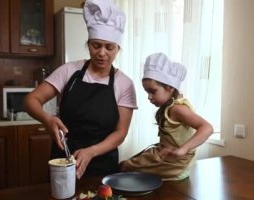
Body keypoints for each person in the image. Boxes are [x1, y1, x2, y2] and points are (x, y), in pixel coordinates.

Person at [24, 0, 137, 179]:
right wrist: (47, 119)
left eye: (109, 47)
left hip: (103, 163)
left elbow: (120, 133)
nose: (102, 53)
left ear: (118, 49)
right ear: (88, 43)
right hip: (64, 159)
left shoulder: (124, 84)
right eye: (96, 45)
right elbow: (31, 100)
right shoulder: (69, 70)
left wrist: (91, 152)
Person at [120, 53, 213, 181]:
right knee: (128, 164)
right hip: (166, 156)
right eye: (147, 92)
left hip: (175, 164)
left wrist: (183, 149)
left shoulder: (178, 109)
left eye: (153, 91)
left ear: (169, 88)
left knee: (124, 167)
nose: (149, 97)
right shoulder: (170, 107)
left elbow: (207, 128)